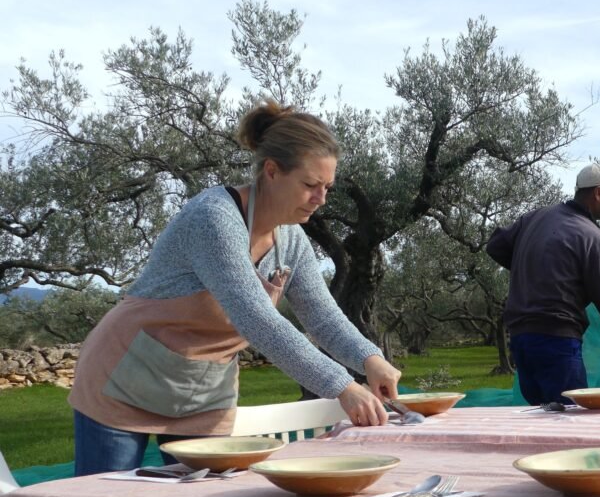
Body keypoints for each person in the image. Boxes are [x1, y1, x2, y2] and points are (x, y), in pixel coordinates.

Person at [68, 100, 401, 476]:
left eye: (327, 187)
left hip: (203, 393)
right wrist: (342, 385)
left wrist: (370, 360)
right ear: (272, 171)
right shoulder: (214, 219)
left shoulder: (292, 240)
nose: (320, 199)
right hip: (125, 378)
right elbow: (257, 321)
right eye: (310, 185)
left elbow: (322, 317)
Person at [486, 162, 600, 405]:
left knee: (539, 419)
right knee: (570, 422)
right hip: (557, 341)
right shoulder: (594, 239)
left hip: (520, 340)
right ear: (598, 192)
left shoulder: (533, 218)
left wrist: (533, 271)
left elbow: (495, 245)